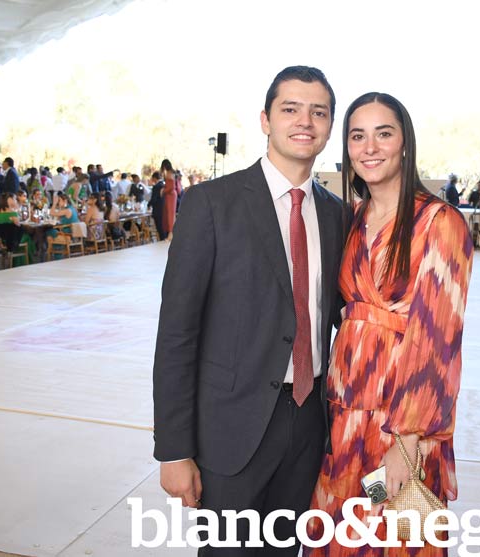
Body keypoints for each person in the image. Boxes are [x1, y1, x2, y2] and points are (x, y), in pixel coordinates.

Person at [153, 65, 346, 557]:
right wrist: (174, 449)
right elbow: (177, 334)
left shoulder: (335, 214)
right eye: (290, 109)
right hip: (231, 429)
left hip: (309, 424)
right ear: (265, 120)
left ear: (329, 125)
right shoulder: (211, 204)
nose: (304, 121)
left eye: (318, 112)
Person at [305, 92, 472, 556]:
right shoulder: (354, 218)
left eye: (384, 133)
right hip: (343, 413)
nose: (370, 147)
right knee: (340, 530)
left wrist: (408, 440)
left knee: (391, 529)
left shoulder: (439, 222)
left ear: (404, 143)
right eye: (358, 136)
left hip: (398, 420)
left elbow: (439, 337)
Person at [160, 159, 179, 239]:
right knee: (171, 214)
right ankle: (172, 233)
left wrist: (163, 190)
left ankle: (171, 234)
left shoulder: (169, 173)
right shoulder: (172, 172)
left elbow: (171, 186)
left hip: (170, 195)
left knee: (170, 214)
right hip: (172, 195)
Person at [148, 171, 165, 240]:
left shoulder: (156, 187)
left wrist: (148, 205)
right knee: (163, 228)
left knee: (160, 228)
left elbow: (154, 199)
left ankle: (162, 241)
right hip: (164, 209)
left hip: (157, 210)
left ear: (154, 178)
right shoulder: (163, 185)